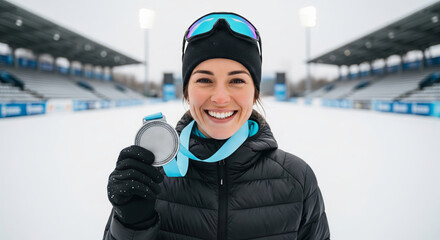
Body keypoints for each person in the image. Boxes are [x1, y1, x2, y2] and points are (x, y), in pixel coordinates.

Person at [104, 12, 330, 240]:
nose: (220, 97)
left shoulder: (297, 180)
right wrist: (131, 226)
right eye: (204, 80)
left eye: (237, 80)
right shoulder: (151, 178)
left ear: (255, 93)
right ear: (187, 92)